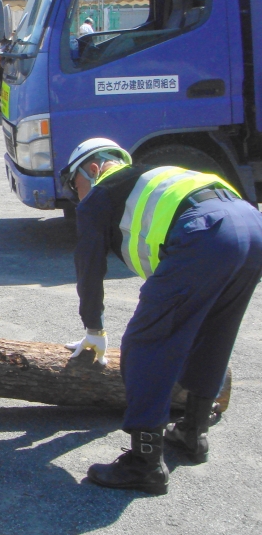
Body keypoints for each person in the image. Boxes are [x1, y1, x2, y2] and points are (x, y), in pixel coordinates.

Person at [60, 139, 262, 495]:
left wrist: (94, 327)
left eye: (73, 184)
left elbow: (88, 266)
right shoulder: (156, 176)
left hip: (205, 234)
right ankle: (192, 433)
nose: (76, 195)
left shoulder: (100, 193)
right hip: (251, 224)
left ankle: (145, 464)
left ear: (91, 169)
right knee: (214, 332)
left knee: (145, 343)